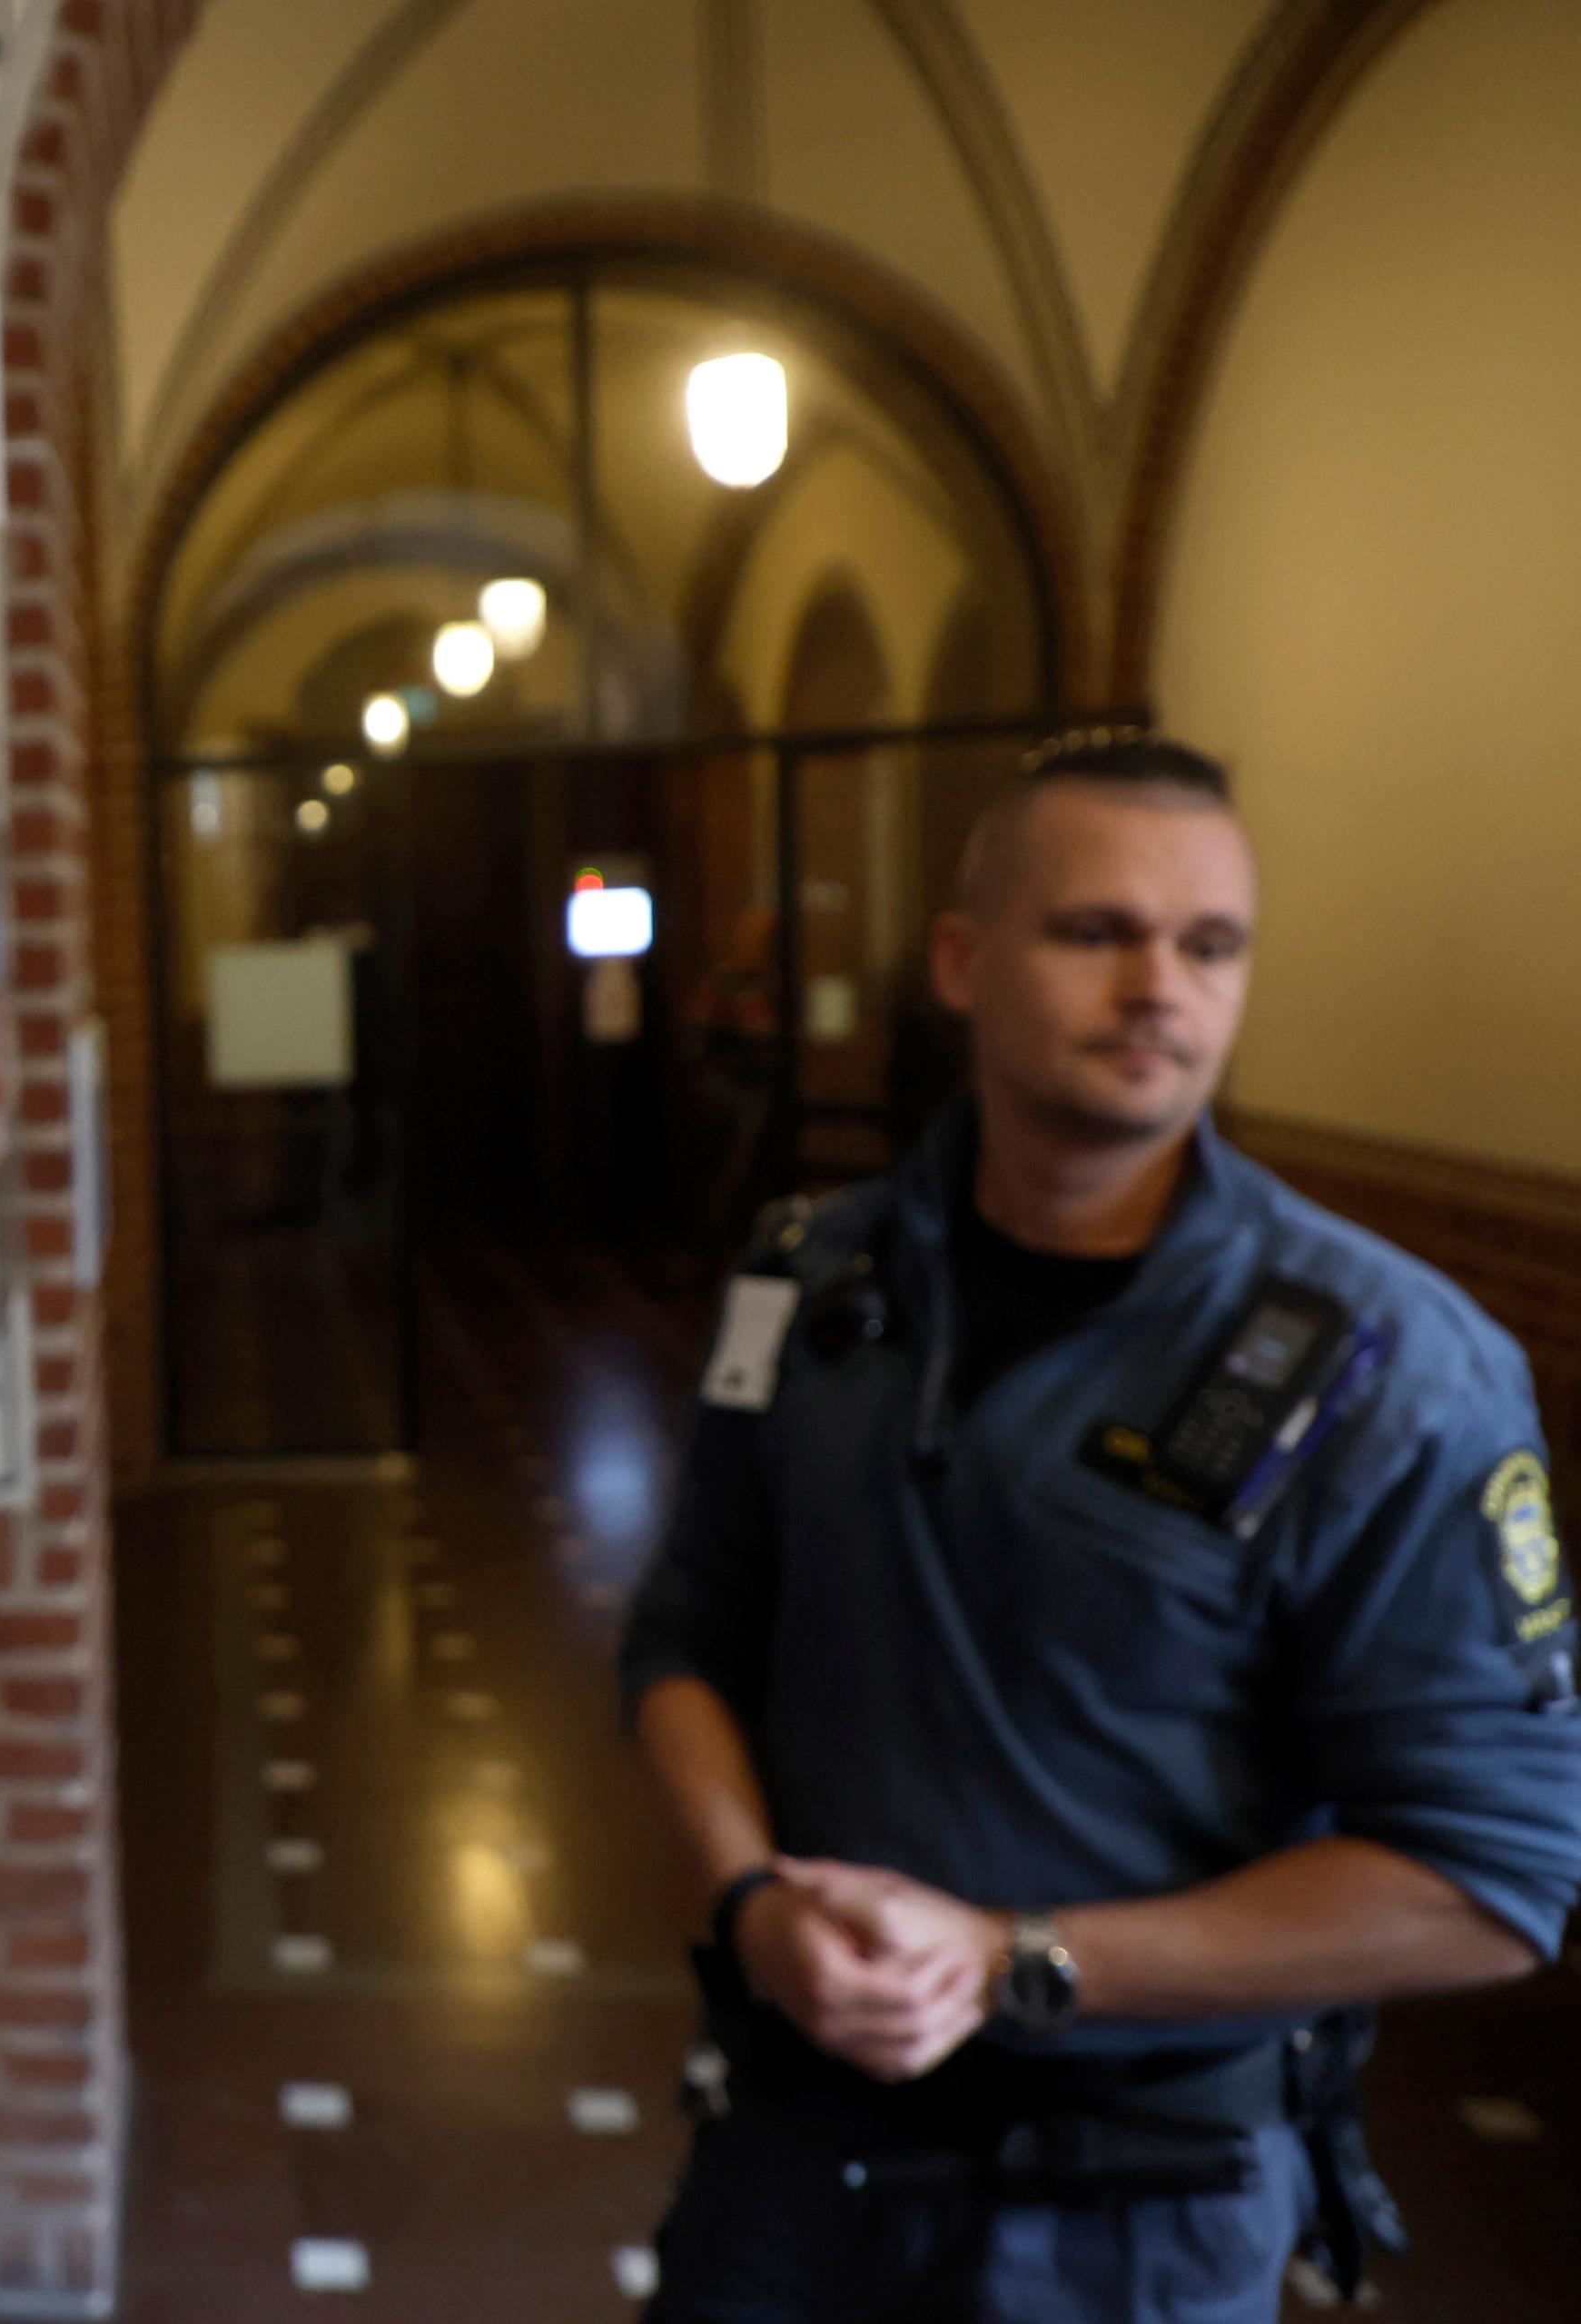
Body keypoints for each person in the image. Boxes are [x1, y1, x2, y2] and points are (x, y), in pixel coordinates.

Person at [619, 730, 1581, 2321]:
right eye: (1097, 932)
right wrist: (749, 1902)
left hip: (1133, 2224)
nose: (1161, 987)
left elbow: (1491, 1881)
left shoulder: (1390, 1367)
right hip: (787, 2179)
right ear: (960, 958)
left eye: (1210, 946)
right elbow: (687, 1631)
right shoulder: (809, 1279)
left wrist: (1016, 1957)